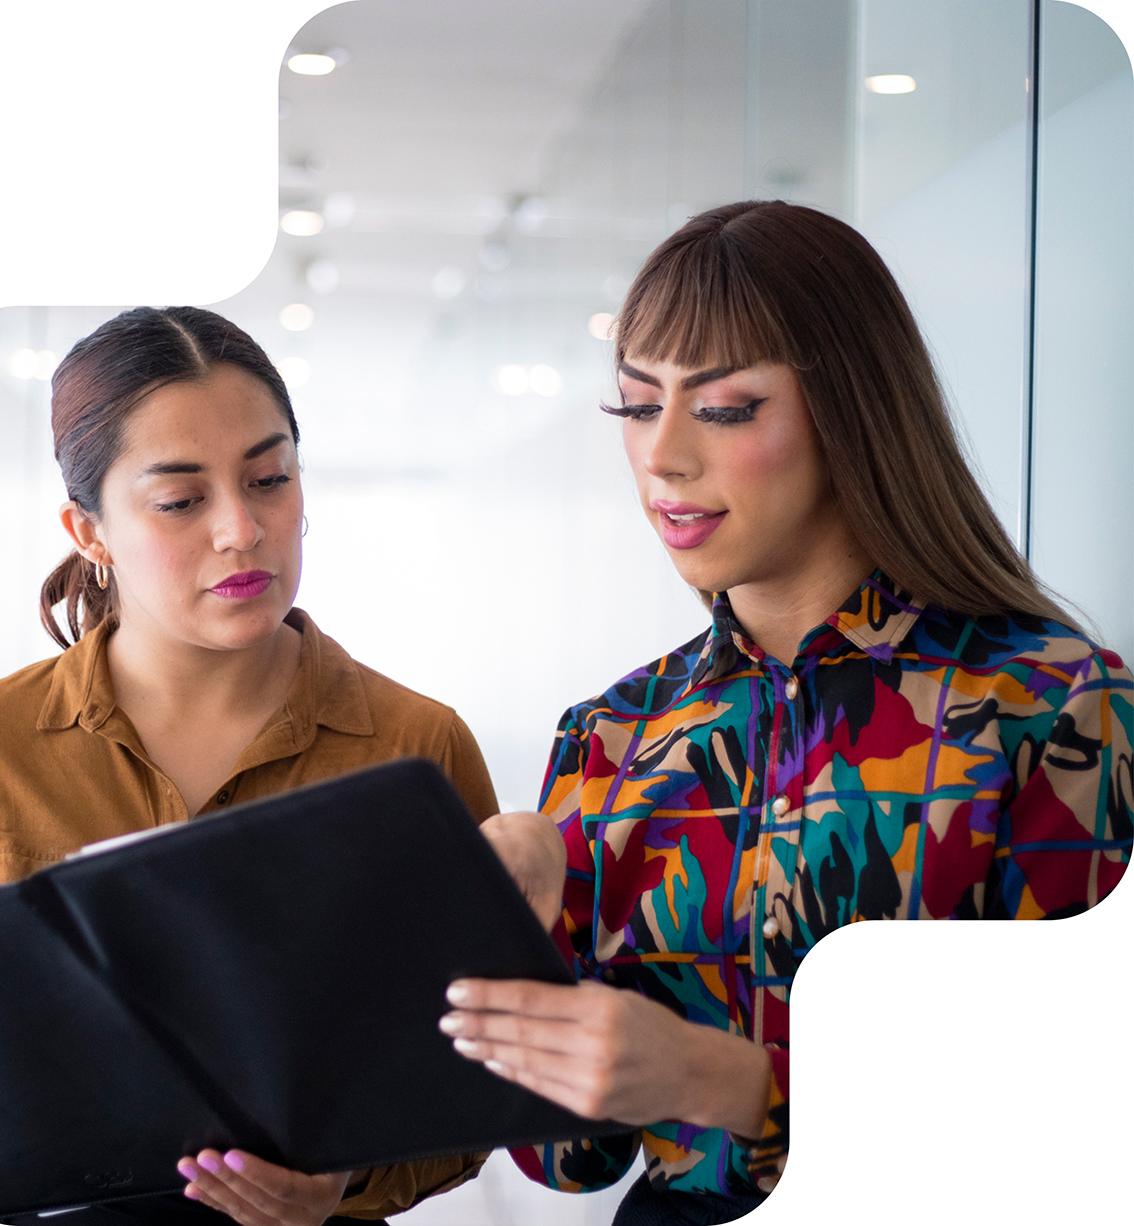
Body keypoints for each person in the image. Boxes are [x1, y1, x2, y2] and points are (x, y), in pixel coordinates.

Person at [438, 201, 1134, 1225]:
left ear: (852, 409)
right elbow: (566, 1162)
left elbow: (1075, 1115)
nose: (663, 455)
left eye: (723, 408)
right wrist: (503, 936)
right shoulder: (615, 731)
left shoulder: (1052, 707)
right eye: (636, 406)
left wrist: (727, 1080)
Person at [0, 306, 500, 1225]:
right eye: (180, 500)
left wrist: (344, 1180)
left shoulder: (417, 746)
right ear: (90, 532)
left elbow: (487, 1081)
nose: (242, 530)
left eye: (270, 479)